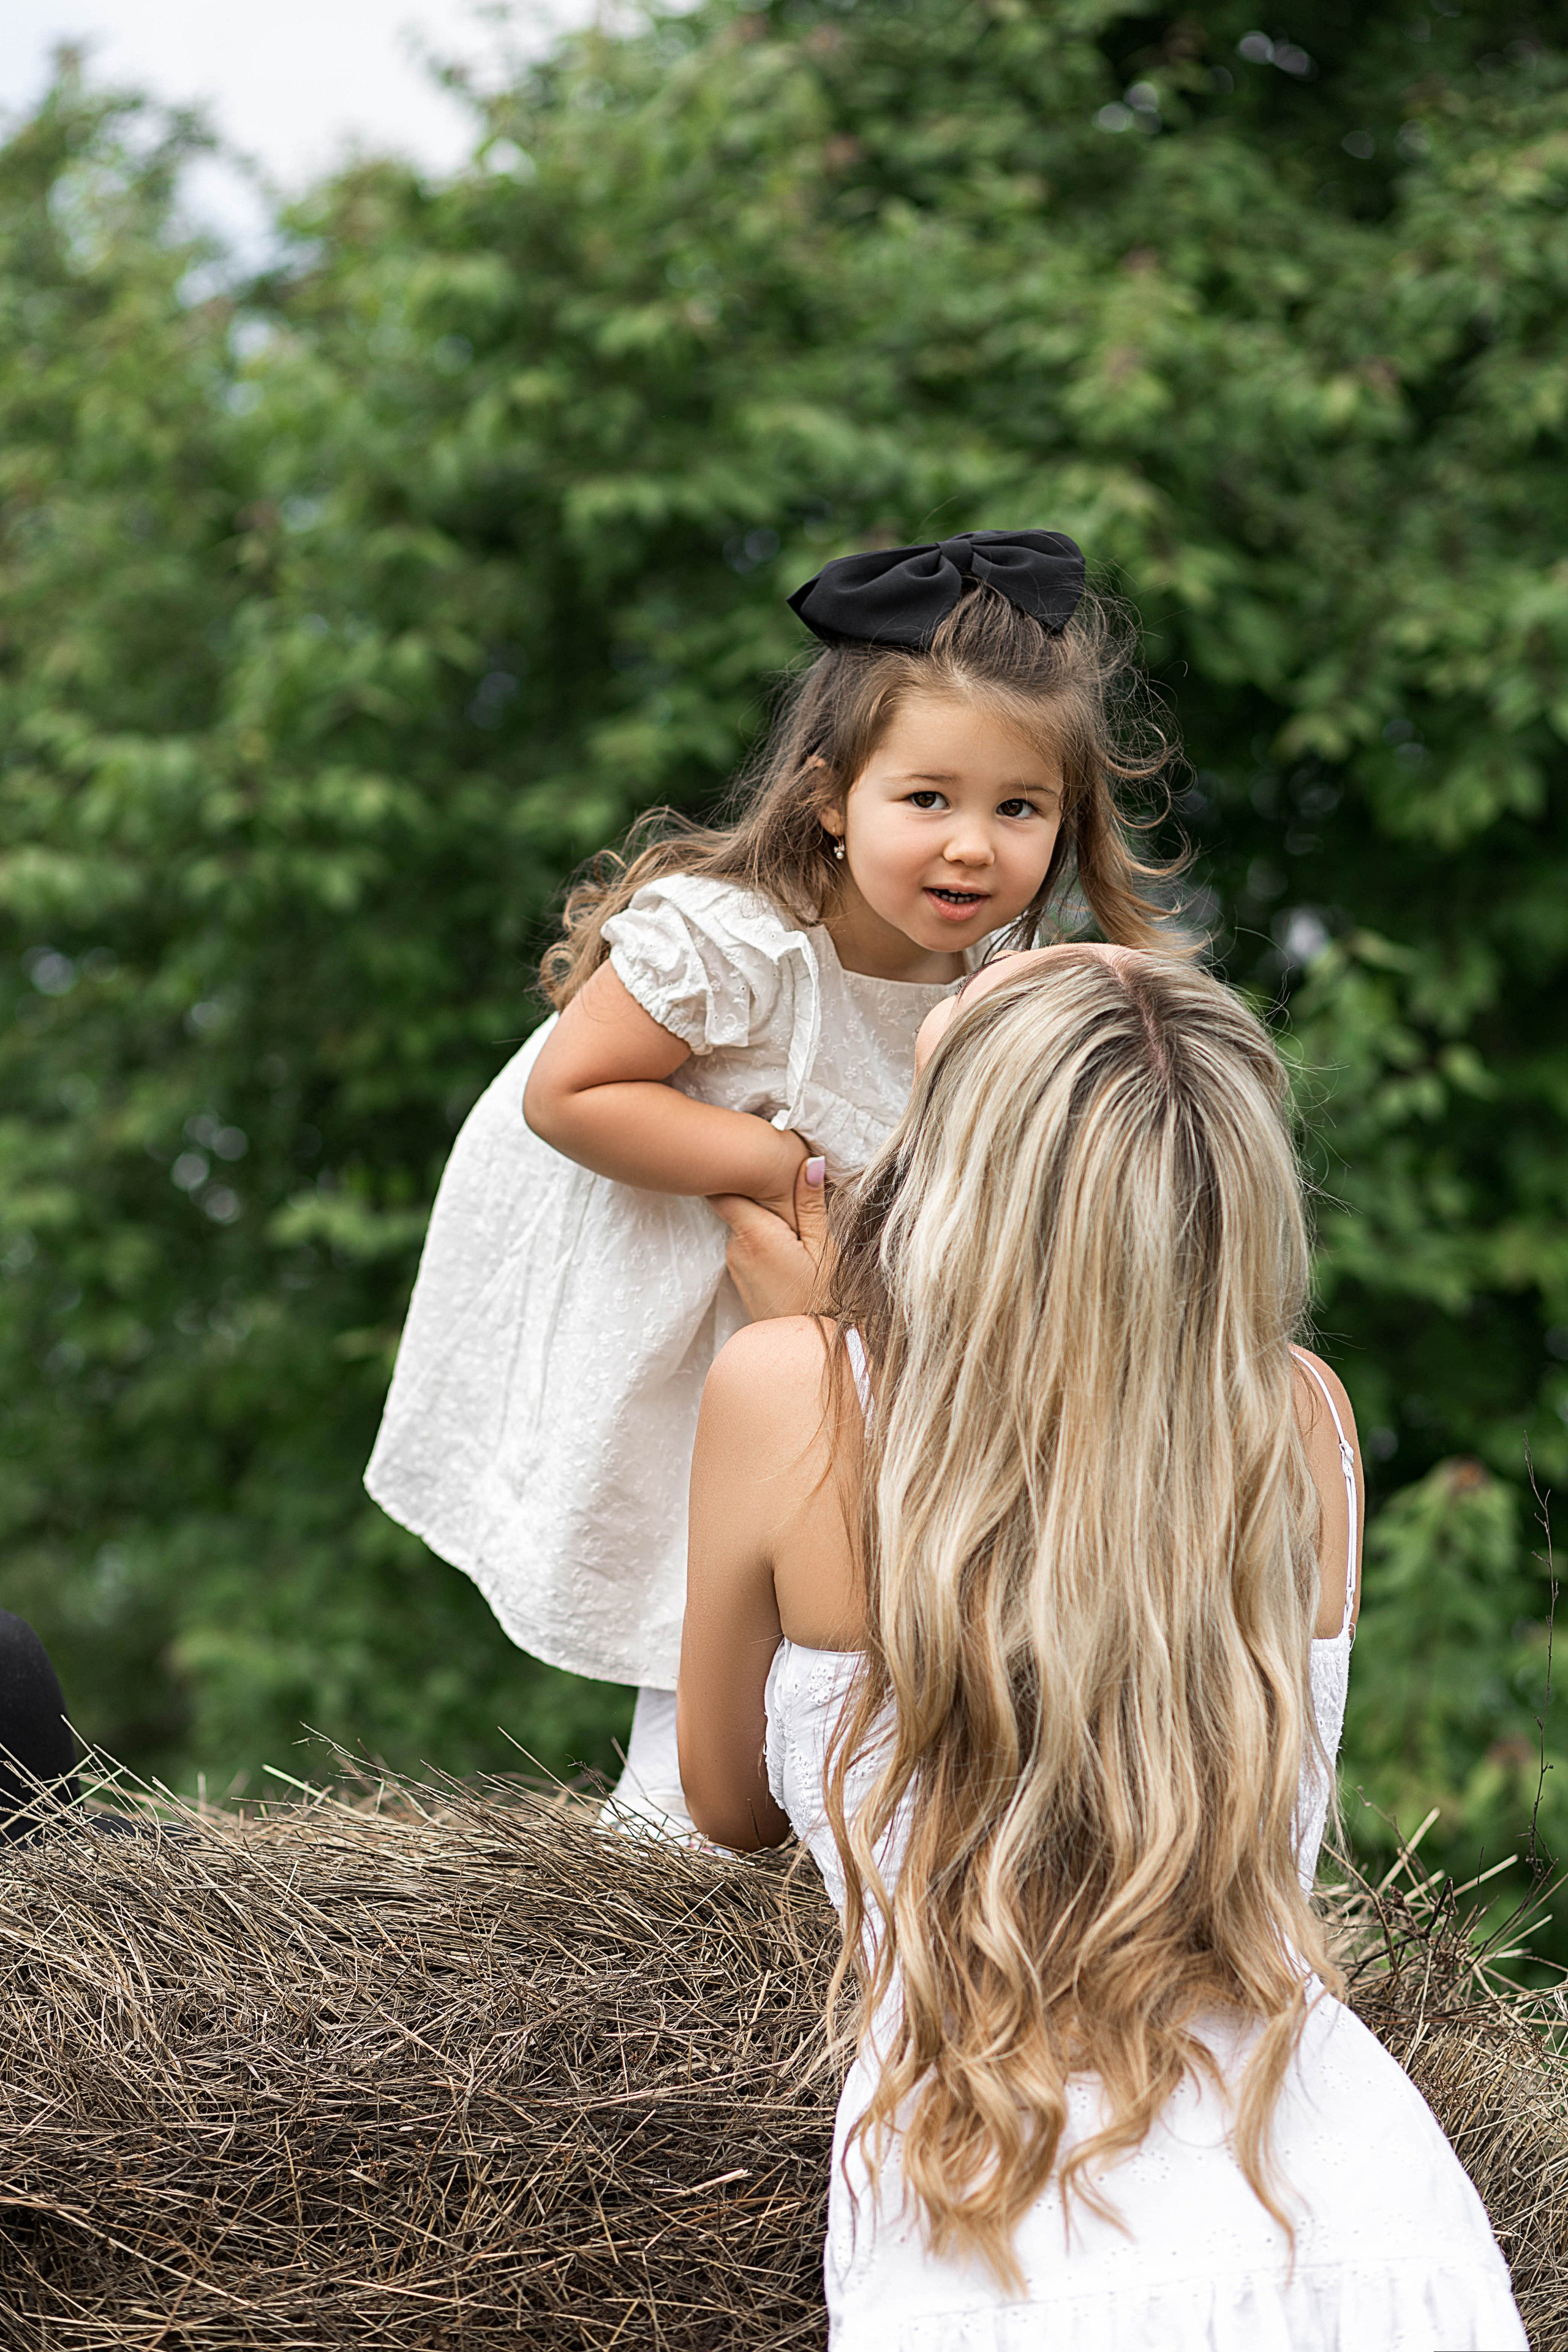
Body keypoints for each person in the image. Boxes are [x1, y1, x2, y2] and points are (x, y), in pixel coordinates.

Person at [679, 947, 1526, 2348]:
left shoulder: (787, 1388)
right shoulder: (1299, 1417)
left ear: (961, 1166)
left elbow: (725, 1803)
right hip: (1361, 2233)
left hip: (992, 2232)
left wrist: (823, 1355)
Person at [366, 530, 1176, 1830]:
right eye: (927, 800)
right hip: (679, 1314)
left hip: (832, 1326)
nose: (971, 847)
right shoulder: (737, 941)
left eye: (1017, 809)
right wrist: (777, 1157)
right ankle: (670, 1832)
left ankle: (815, 1819)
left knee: (843, 1589)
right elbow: (567, 1093)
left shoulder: (998, 992)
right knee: (707, 1586)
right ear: (826, 798)